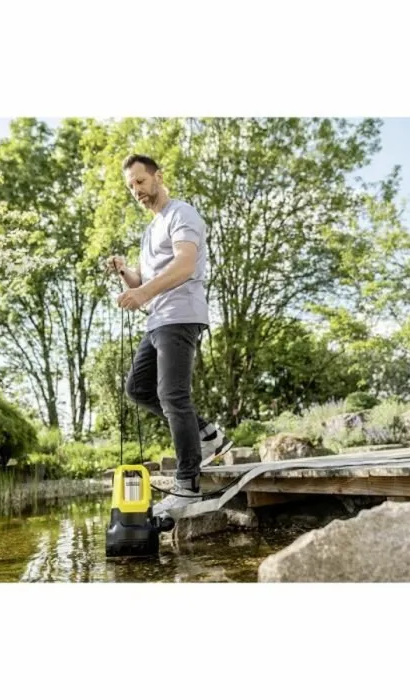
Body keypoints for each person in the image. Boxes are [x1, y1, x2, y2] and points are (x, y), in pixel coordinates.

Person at [106, 154, 232, 517]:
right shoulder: (151, 230)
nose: (136, 190)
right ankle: (208, 435)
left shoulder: (182, 213)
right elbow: (143, 281)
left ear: (158, 177)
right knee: (137, 388)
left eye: (140, 181)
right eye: (130, 186)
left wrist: (142, 293)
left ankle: (187, 486)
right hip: (158, 319)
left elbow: (185, 264)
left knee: (172, 394)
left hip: (181, 314)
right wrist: (125, 273)